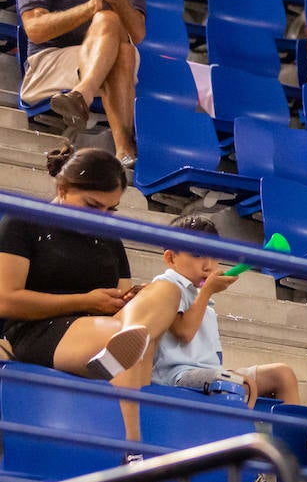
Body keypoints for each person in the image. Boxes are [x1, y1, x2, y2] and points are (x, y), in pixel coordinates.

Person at [0, 144, 180, 439]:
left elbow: (123, 303)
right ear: (62, 187)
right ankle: (134, 447)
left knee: (167, 290)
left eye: (111, 210)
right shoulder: (22, 222)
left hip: (106, 326)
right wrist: (86, 301)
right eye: (92, 206)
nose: (101, 217)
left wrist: (131, 299)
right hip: (39, 330)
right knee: (134, 343)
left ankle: (114, 359)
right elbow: (5, 300)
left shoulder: (109, 238)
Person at [16, 0, 145, 168]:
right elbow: (35, 30)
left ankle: (81, 96)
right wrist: (89, 8)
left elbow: (138, 34)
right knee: (115, 38)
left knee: (118, 38)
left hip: (99, 67)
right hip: (48, 64)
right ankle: (125, 150)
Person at [150, 214, 301, 411]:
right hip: (176, 376)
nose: (208, 265)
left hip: (209, 374)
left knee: (283, 375)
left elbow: (215, 357)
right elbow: (184, 333)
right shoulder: (166, 284)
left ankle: (288, 441)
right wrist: (206, 292)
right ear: (171, 258)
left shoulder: (202, 297)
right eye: (197, 255)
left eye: (214, 255)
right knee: (234, 381)